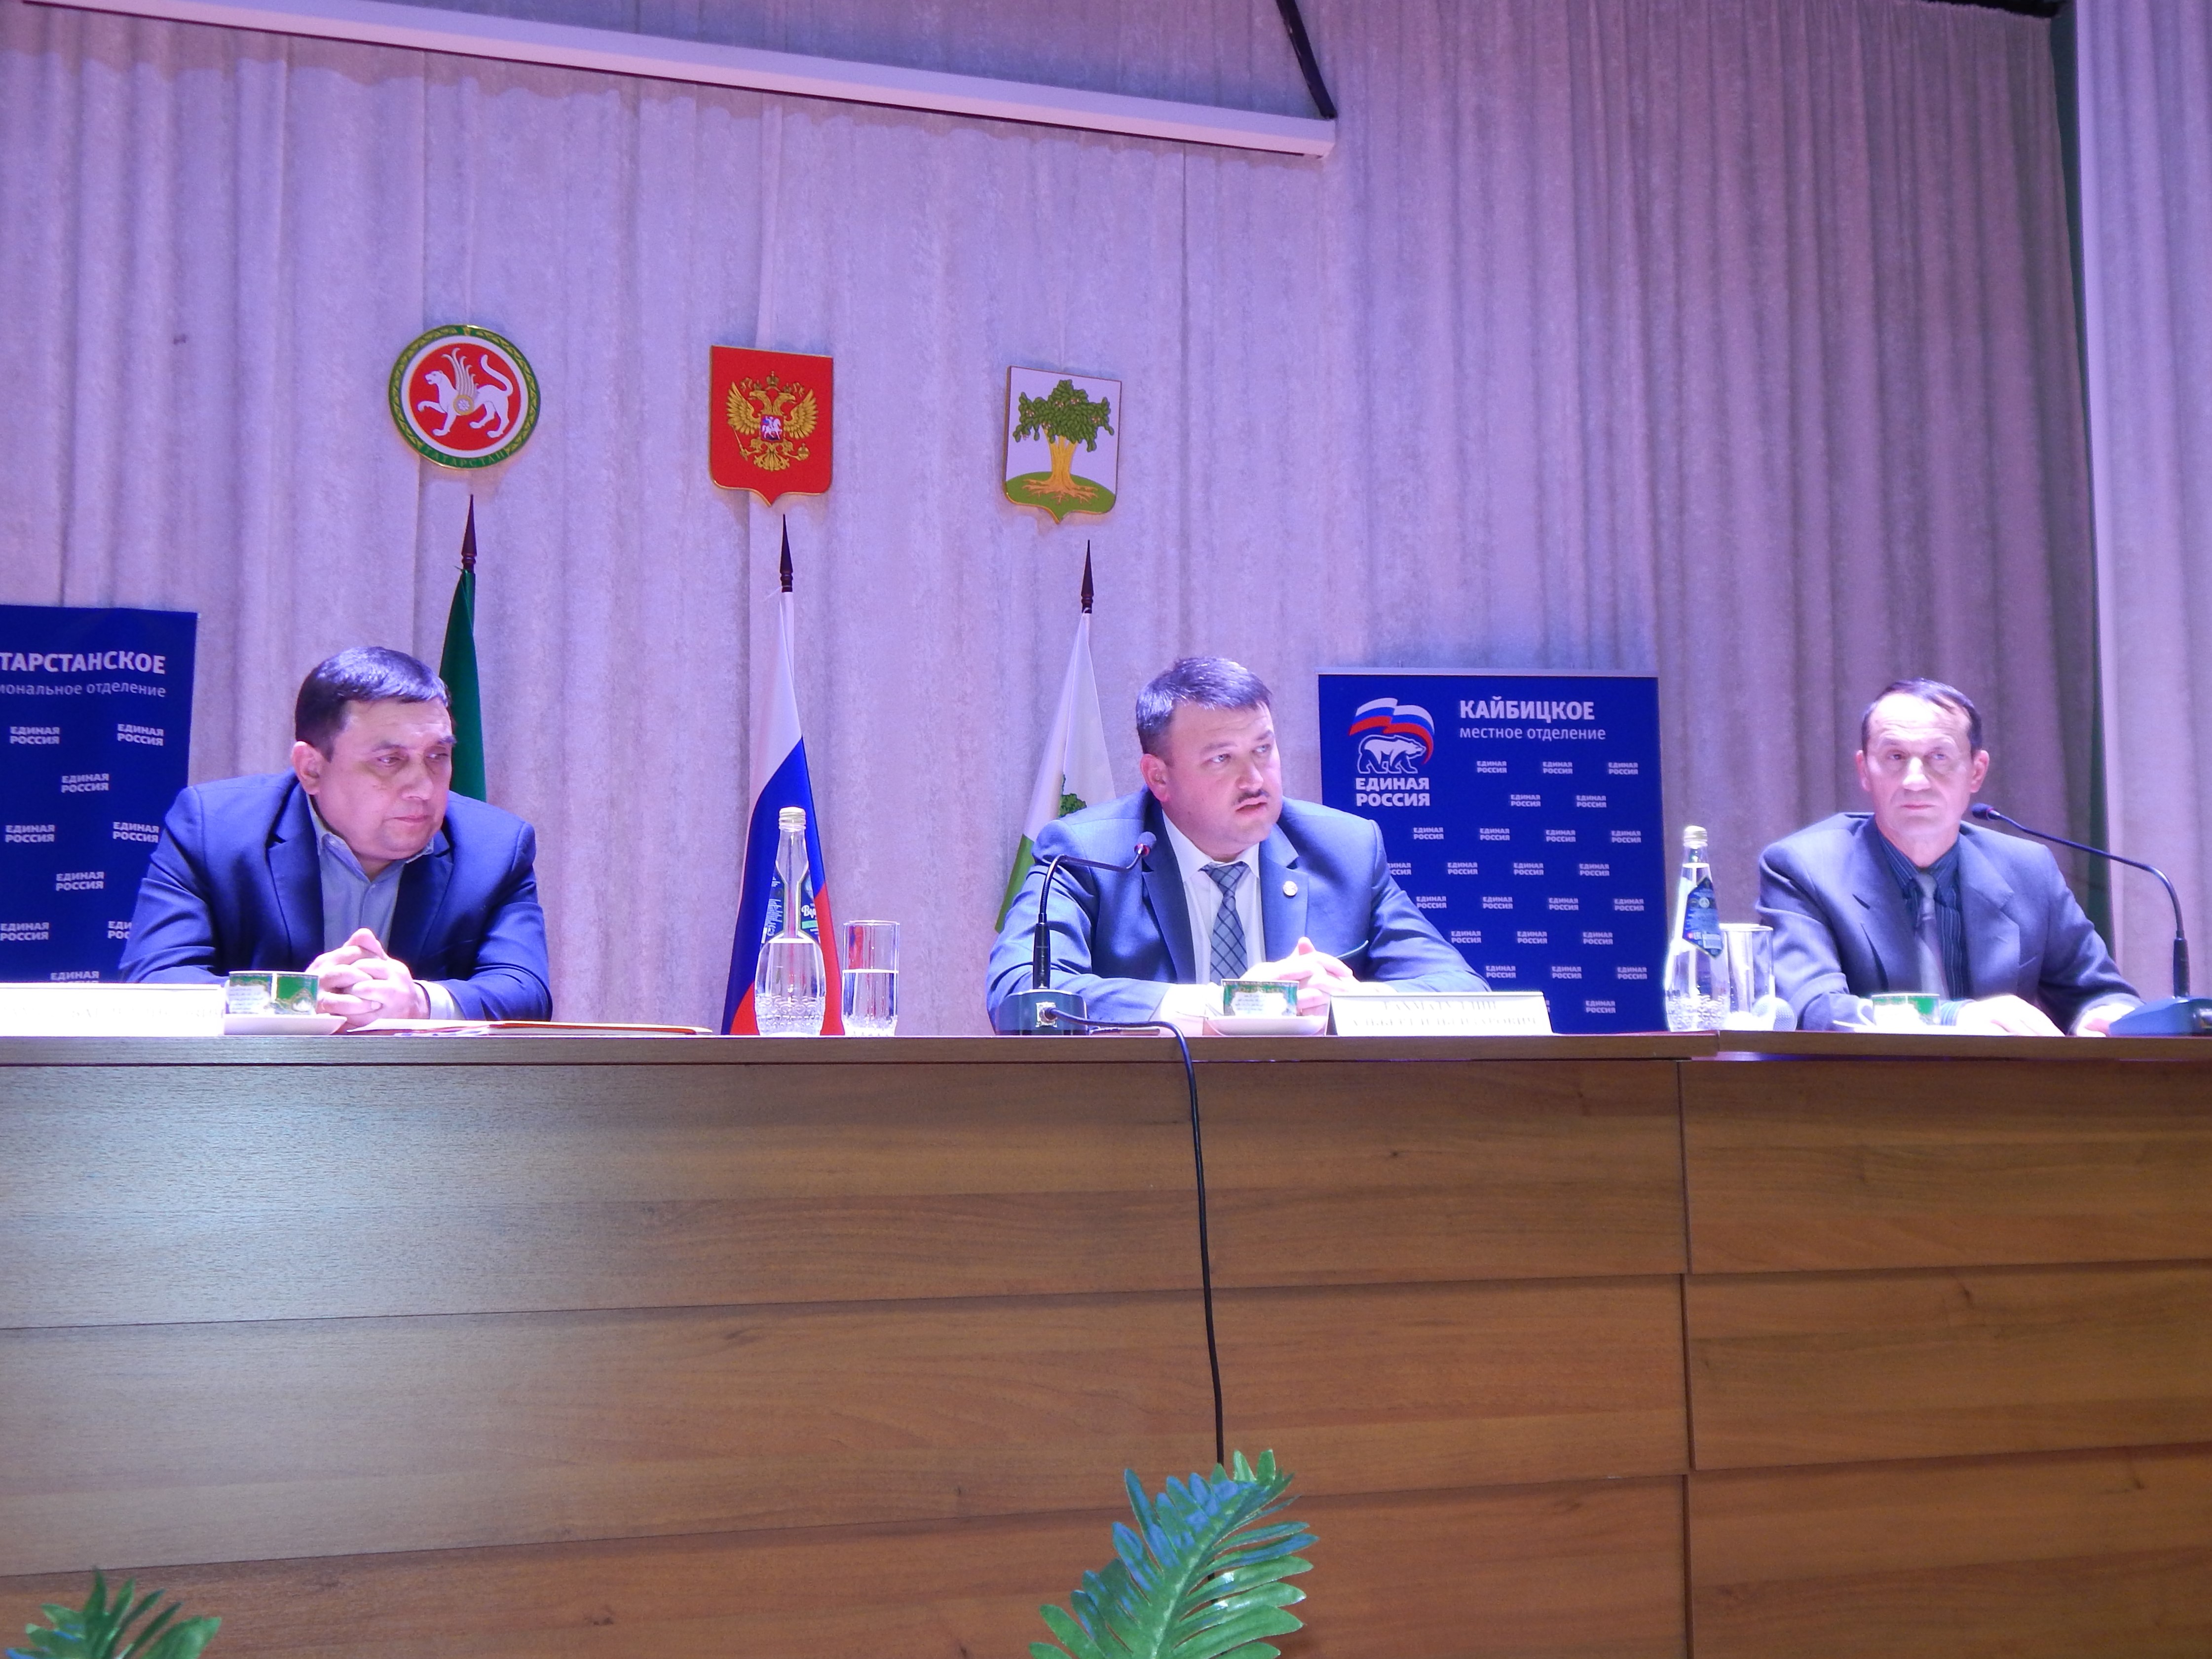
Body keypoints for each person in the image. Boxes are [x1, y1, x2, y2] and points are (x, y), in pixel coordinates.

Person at [986, 656, 1484, 1028]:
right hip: (1146, 1119)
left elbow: (1465, 994)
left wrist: (1353, 1001)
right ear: (1159, 777)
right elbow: (1022, 994)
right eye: (1222, 759)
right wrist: (1229, 1005)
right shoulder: (1086, 854)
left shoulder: (1345, 849)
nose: (1255, 779)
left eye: (1263, 749)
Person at [120, 646, 551, 1026]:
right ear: (311, 768)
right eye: (390, 760)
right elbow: (155, 982)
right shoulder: (214, 829)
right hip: (253, 1086)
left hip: (425, 1090)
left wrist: (420, 1002)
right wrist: (294, 999)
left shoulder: (495, 847)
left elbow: (525, 990)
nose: (423, 787)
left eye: (438, 756)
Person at [1758, 678, 2136, 1035]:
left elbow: (2099, 992)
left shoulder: (2027, 869)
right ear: (1864, 771)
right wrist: (1953, 1016)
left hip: (2003, 1082)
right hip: (1863, 1081)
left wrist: (2103, 1017)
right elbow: (1814, 1009)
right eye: (1894, 756)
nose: (1915, 780)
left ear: (1976, 771)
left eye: (1938, 756)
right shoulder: (1804, 868)